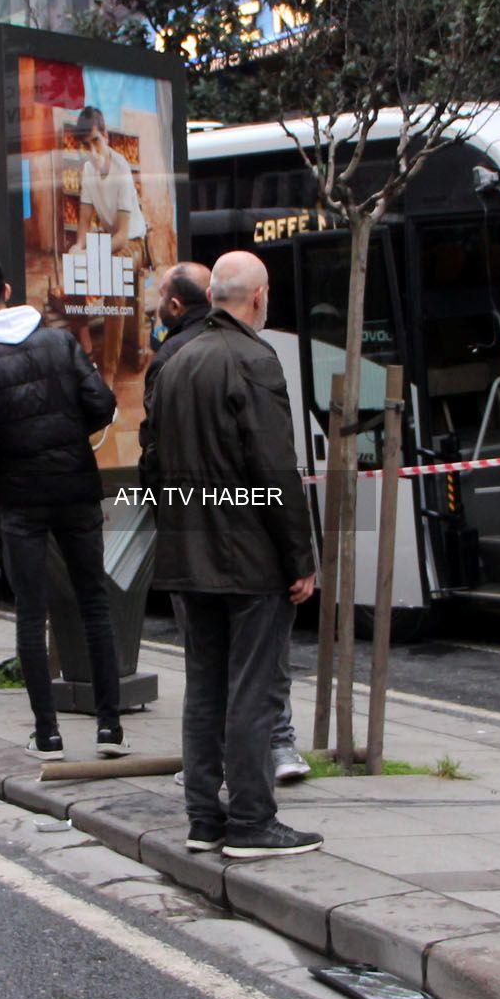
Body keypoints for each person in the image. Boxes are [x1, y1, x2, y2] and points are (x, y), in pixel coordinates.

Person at [141, 251, 318, 859]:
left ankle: (202, 819)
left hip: (189, 556)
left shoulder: (173, 360)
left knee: (204, 688)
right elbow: (273, 468)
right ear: (259, 297)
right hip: (248, 560)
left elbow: (151, 465)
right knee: (254, 689)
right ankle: (250, 821)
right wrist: (300, 557)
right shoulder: (253, 359)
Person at [0, 254, 122, 760]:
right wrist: (67, 439)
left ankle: (47, 733)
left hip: (20, 499)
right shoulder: (60, 342)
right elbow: (102, 404)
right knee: (94, 602)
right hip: (75, 489)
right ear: (6, 288)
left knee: (31, 613)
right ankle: (109, 728)